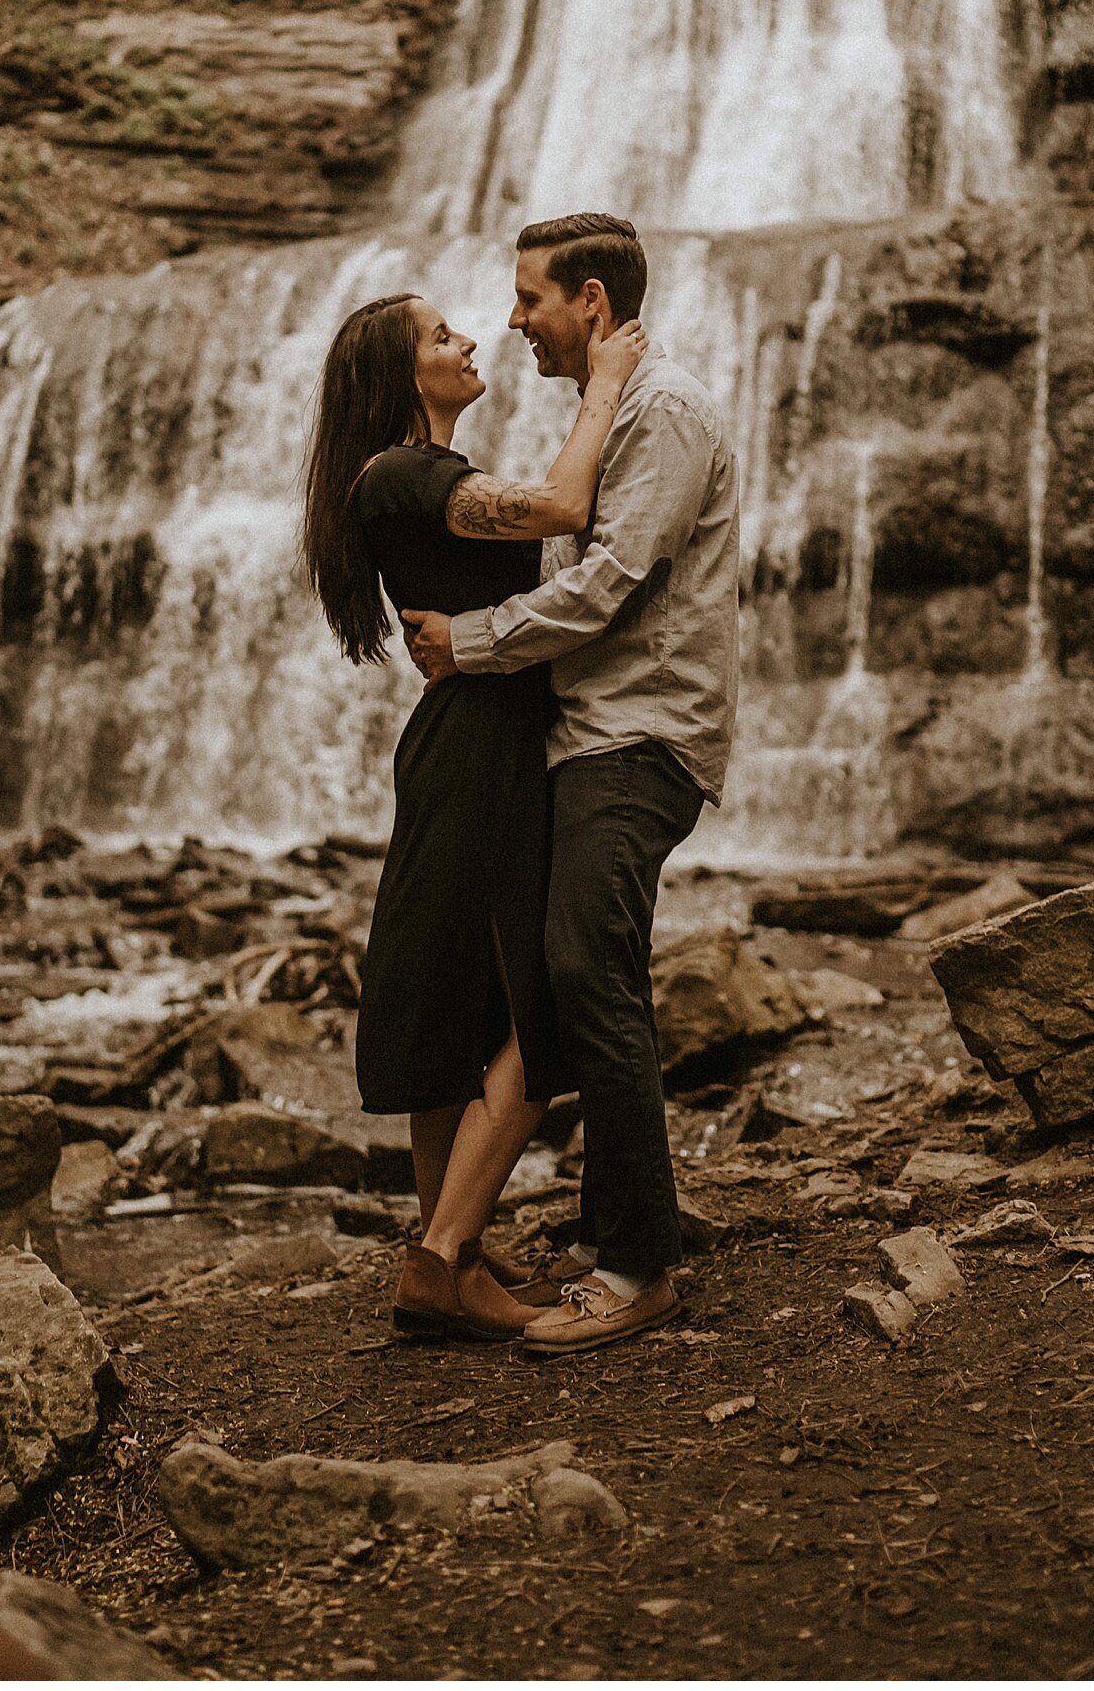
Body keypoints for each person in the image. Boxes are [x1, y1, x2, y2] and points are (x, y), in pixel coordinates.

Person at [402, 214, 741, 1356]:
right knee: (563, 970)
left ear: (589, 304)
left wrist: (472, 639)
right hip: (582, 734)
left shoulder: (668, 410)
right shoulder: (607, 416)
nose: (510, 321)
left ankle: (640, 1264)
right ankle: (606, 1222)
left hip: (639, 735)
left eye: (528, 299)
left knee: (584, 964)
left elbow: (608, 587)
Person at [301, 288, 648, 1341]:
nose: (467, 340)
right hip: (486, 751)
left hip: (464, 739)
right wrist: (607, 384)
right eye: (441, 335)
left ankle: (447, 1240)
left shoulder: (406, 477)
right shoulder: (411, 473)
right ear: (402, 374)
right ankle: (443, 1255)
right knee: (533, 1010)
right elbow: (562, 509)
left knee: (454, 1001)